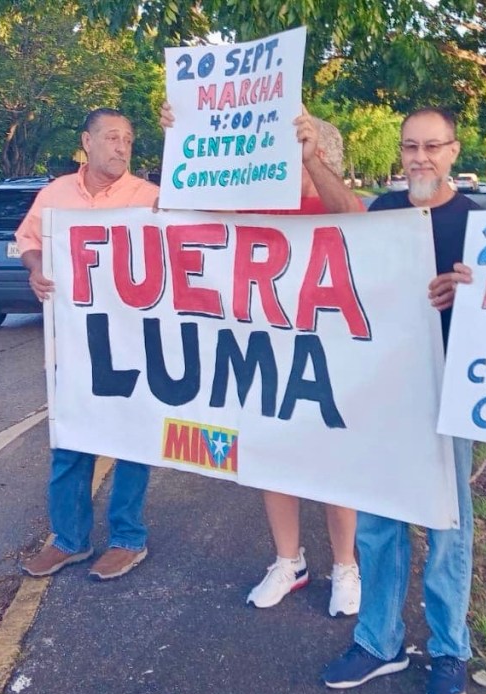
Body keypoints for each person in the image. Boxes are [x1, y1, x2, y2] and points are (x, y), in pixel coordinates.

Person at [159, 102, 363, 616]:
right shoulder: (262, 209)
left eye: (294, 154)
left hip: (328, 360)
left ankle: (346, 566)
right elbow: (189, 218)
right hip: (266, 359)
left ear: (320, 156)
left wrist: (310, 159)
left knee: (336, 465)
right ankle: (288, 561)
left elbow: (357, 219)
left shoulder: (338, 206)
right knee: (271, 459)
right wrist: (179, 141)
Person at [321, 108, 480, 694]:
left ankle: (449, 649)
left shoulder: (478, 224)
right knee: (379, 523)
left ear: (453, 151)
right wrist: (312, 158)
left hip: (448, 396)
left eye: (432, 147)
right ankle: (378, 642)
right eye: (411, 147)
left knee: (447, 526)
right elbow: (346, 217)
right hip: (385, 392)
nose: (420, 157)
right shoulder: (386, 211)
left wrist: (469, 291)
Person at [19, 108, 160, 582]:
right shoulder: (55, 194)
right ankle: (70, 541)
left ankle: (128, 539)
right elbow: (29, 240)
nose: (122, 147)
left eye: (128, 140)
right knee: (70, 440)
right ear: (87, 142)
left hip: (135, 344)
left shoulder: (150, 198)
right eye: (112, 137)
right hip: (74, 343)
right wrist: (36, 268)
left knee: (133, 439)